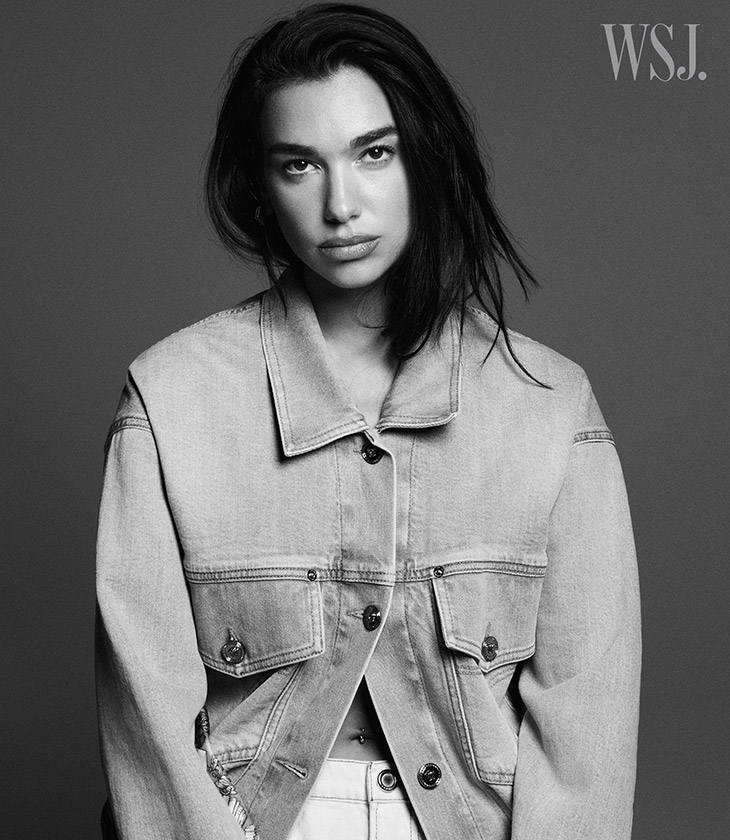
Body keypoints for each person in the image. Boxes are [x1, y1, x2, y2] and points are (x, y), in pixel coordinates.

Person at [95, 4, 641, 839]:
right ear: (261, 186)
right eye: (298, 165)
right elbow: (149, 719)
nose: (340, 204)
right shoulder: (171, 401)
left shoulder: (549, 407)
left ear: (427, 156)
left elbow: (585, 731)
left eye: (374, 153)